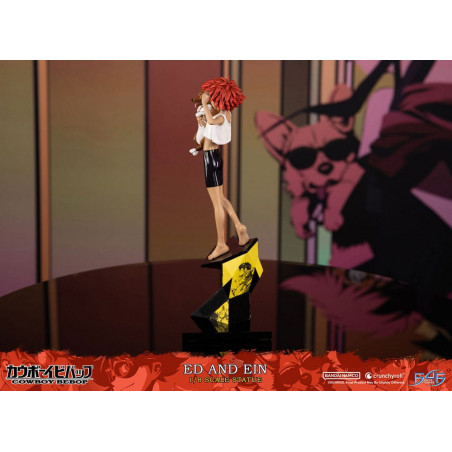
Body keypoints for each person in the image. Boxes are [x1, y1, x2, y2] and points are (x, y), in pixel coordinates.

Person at [194, 77, 249, 260]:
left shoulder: (220, 116)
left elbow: (211, 121)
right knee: (221, 198)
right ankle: (239, 226)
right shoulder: (224, 115)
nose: (208, 97)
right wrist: (201, 121)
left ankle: (221, 244)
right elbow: (206, 131)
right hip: (214, 157)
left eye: (211, 95)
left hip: (210, 159)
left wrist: (204, 105)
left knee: (216, 203)